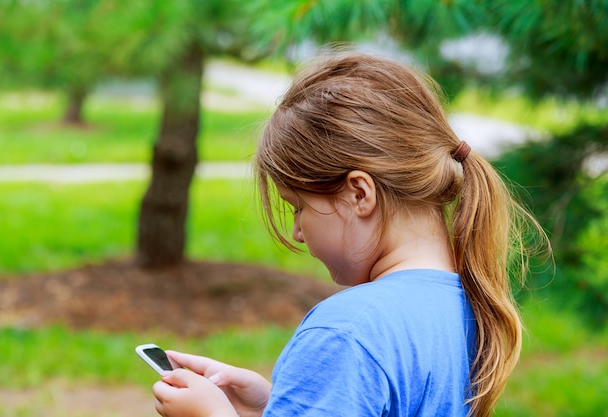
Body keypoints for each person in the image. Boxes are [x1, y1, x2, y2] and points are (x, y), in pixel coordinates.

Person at [151, 52, 546, 417]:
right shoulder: (464, 305)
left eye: (298, 206)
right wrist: (275, 404)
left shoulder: (347, 332)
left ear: (360, 194)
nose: (298, 232)